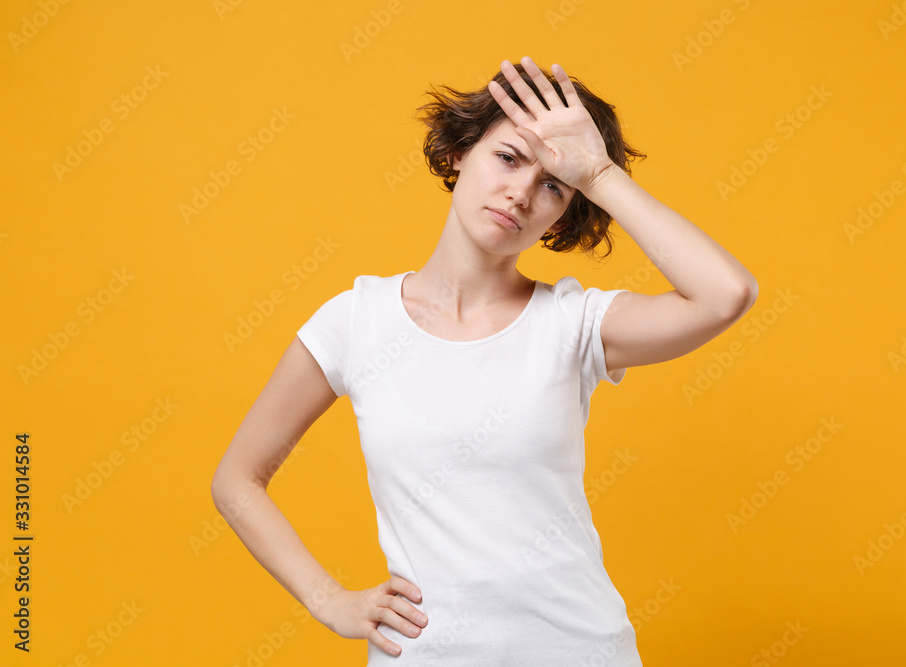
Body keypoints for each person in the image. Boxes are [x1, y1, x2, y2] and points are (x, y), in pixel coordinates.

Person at [211, 56, 757, 664]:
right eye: (508, 158)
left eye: (554, 183)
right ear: (457, 154)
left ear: (563, 214)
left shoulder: (574, 323)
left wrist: (597, 171)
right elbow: (238, 480)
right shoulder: (356, 321)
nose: (521, 192)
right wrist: (327, 599)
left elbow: (725, 294)